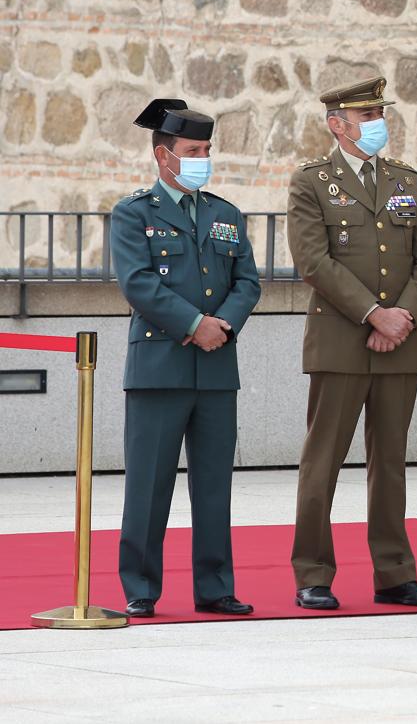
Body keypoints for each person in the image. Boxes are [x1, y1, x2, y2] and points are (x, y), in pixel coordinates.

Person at [287, 76, 417, 610]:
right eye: (366, 116)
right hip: (340, 341)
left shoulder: (407, 180)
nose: (379, 125)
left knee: (391, 462)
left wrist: (402, 318)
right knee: (323, 460)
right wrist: (374, 314)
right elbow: (314, 260)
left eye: (381, 115)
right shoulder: (312, 181)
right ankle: (312, 572)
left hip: (400, 341)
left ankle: (395, 573)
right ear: (337, 125)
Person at [111, 98, 261, 617]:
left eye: (207, 149)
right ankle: (141, 587)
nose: (203, 158)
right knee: (149, 486)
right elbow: (138, 284)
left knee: (214, 486)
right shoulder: (133, 213)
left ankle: (216, 587)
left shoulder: (226, 214)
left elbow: (247, 281)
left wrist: (223, 326)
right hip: (159, 368)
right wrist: (195, 326)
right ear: (163, 156)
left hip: (217, 369)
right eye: (193, 150)